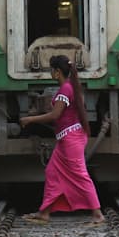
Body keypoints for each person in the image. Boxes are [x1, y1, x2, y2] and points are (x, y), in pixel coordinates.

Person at [18, 55, 104, 225]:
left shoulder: (65, 89)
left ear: (57, 72)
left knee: (80, 175)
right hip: (67, 139)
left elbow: (55, 115)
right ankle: (45, 213)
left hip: (71, 139)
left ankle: (97, 214)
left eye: (51, 70)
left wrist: (30, 120)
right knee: (52, 171)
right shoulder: (70, 87)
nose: (50, 73)